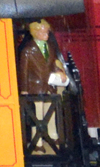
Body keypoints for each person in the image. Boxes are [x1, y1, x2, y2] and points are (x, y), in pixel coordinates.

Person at [19, 20, 73, 154]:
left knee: (51, 111)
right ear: (36, 32)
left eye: (47, 31)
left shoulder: (50, 47)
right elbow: (23, 71)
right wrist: (24, 89)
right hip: (35, 87)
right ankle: (37, 142)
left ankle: (53, 136)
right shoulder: (28, 51)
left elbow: (52, 64)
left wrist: (59, 71)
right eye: (44, 31)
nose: (47, 33)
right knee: (38, 114)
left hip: (49, 84)